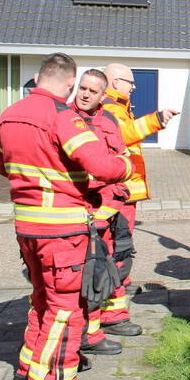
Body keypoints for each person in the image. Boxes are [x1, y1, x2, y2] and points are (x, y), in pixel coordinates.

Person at [0, 53, 133, 380]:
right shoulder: (63, 118)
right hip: (62, 231)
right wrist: (125, 165)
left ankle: (31, 366)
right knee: (64, 309)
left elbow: (1, 166)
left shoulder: (8, 115)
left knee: (41, 300)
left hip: (26, 227)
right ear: (70, 84)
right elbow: (102, 166)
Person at [99, 63, 180, 337]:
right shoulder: (109, 107)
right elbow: (125, 135)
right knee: (118, 248)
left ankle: (121, 287)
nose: (133, 87)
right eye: (129, 82)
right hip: (119, 193)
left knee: (119, 246)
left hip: (123, 192)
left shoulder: (118, 105)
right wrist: (156, 119)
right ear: (113, 81)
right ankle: (113, 312)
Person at [71, 69, 129, 357]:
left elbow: (118, 167)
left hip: (100, 210)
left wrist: (108, 210)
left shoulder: (108, 121)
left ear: (103, 95)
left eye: (92, 91)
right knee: (72, 279)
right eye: (82, 88)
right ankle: (77, 337)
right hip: (71, 209)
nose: (84, 94)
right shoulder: (64, 119)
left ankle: (92, 333)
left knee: (97, 273)